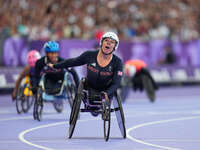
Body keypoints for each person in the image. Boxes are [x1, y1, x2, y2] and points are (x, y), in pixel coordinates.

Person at [48, 32, 123, 105]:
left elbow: (116, 83)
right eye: (106, 40)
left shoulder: (118, 62)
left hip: (106, 90)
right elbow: (72, 62)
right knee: (83, 82)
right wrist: (55, 66)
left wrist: (107, 93)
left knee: (113, 87)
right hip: (90, 88)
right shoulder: (89, 55)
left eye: (112, 42)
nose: (108, 43)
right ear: (101, 42)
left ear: (115, 46)